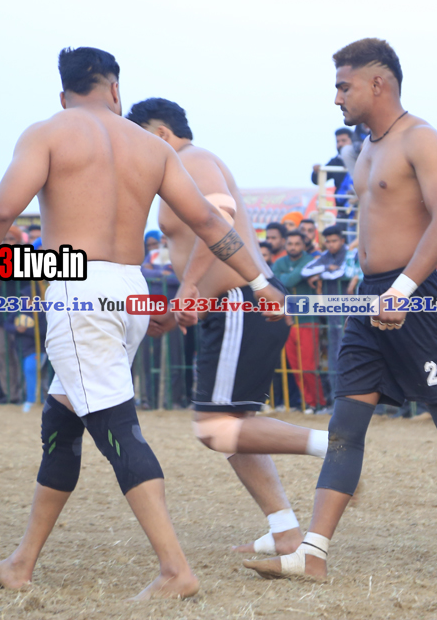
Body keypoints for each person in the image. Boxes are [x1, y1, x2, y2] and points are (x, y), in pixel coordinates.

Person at [0, 47, 284, 599]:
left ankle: (176, 571)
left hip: (79, 290)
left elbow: (2, 212)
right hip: (131, 290)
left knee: (118, 428)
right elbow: (207, 219)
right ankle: (20, 563)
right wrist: (260, 284)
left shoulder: (48, 132)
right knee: (61, 424)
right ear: (116, 89)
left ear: (64, 94)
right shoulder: (152, 147)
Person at [246, 38, 437, 585]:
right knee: (344, 427)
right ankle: (312, 553)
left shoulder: (422, 139)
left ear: (378, 83)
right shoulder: (366, 148)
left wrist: (402, 289)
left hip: (414, 294)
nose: (337, 98)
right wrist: (374, 286)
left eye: (344, 86)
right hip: (370, 295)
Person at [127, 97, 328, 556]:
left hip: (240, 301)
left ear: (160, 134)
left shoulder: (193, 159)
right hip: (230, 304)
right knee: (234, 427)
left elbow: (219, 218)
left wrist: (189, 286)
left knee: (214, 428)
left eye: (138, 138)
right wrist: (182, 302)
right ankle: (284, 529)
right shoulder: (179, 168)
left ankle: (337, 446)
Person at [272, 231, 323, 409]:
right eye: (290, 244)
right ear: (285, 244)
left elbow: (287, 280)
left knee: (309, 367)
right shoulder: (280, 262)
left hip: (308, 319)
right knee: (295, 367)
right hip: (287, 321)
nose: (293, 247)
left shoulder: (310, 260)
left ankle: (319, 403)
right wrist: (300, 274)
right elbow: (279, 282)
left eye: (297, 244)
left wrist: (289, 277)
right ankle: (309, 403)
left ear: (303, 245)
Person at [302, 224, 352, 398]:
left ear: (342, 240)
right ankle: (337, 396)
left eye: (334, 241)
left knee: (350, 349)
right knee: (335, 350)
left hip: (351, 310)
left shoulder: (350, 254)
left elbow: (342, 273)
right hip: (333, 312)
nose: (331, 244)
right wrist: (326, 269)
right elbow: (305, 270)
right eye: (328, 241)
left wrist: (321, 274)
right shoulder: (326, 256)